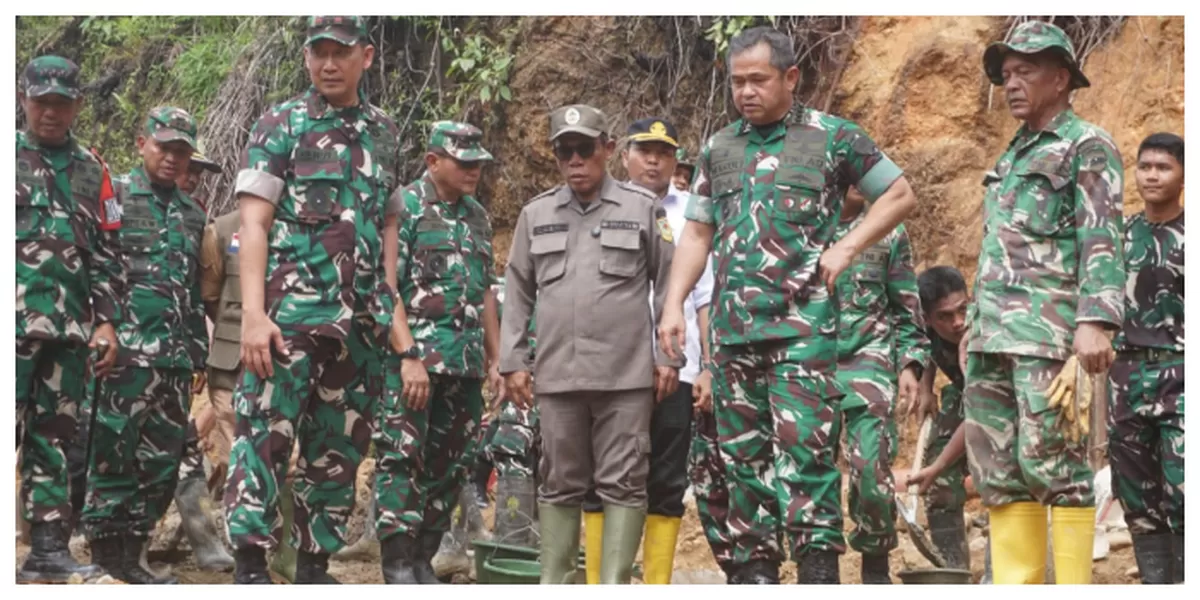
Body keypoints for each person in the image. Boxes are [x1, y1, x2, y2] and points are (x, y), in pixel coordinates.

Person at [658, 27, 917, 584]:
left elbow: (898, 194)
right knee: (743, 464)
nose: (746, 92)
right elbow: (698, 234)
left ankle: (819, 573)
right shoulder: (718, 147)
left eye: (759, 80)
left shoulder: (833, 138)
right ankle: (756, 576)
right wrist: (674, 304)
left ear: (791, 78)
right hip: (733, 333)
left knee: (807, 460)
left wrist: (847, 246)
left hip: (803, 333)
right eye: (737, 82)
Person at [223, 16, 401, 584]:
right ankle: (251, 564)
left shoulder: (385, 130)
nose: (328, 63)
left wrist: (389, 311)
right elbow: (253, 223)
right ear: (305, 59)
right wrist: (252, 315)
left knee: (339, 446)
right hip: (288, 320)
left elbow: (389, 227)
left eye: (340, 53)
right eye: (317, 53)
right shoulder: (282, 122)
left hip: (361, 326)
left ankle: (313, 566)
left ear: (365, 58)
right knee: (264, 438)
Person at [963, 20, 1125, 585]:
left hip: (1048, 337)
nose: (1011, 84)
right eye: (1006, 74)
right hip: (992, 337)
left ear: (1061, 79)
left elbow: (1102, 234)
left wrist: (1096, 321)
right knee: (999, 472)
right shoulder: (1011, 156)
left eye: (1025, 71)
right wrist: (972, 326)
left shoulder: (1087, 145)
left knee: (1056, 467)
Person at [499, 104, 681, 584]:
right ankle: (554, 584)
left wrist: (668, 355)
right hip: (558, 377)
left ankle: (614, 585)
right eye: (565, 152)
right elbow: (517, 288)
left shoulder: (642, 208)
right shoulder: (536, 214)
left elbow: (669, 286)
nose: (575, 160)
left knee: (624, 483)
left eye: (585, 149)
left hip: (625, 378)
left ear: (609, 148)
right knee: (559, 483)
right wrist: (512, 360)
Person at [581, 117, 714, 585]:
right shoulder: (597, 202)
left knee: (667, 478)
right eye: (645, 150)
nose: (654, 160)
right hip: (614, 371)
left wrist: (707, 367)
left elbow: (703, 296)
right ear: (624, 155)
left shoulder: (691, 214)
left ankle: (655, 583)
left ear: (676, 159)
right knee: (604, 476)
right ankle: (601, 584)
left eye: (664, 151)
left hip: (678, 366)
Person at [80, 106, 207, 585]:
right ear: (141, 143)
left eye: (182, 151)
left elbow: (194, 287)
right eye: (164, 147)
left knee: (160, 462)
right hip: (122, 355)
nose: (173, 159)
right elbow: (94, 268)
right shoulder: (113, 199)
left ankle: (135, 556)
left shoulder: (194, 214)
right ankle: (103, 555)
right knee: (112, 453)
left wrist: (197, 352)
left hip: (174, 359)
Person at [374, 121, 502, 584]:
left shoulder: (477, 217)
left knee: (452, 465)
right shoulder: (403, 207)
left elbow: (486, 291)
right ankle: (397, 563)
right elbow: (386, 288)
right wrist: (407, 354)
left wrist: (496, 359)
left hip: (464, 363)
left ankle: (424, 557)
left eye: (477, 163)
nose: (473, 171)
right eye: (463, 163)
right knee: (403, 457)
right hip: (416, 362)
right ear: (433, 161)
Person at [16, 54, 122, 584]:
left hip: (69, 332)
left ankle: (47, 549)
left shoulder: (92, 168)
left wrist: (106, 322)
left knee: (53, 439)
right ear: (23, 100)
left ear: (78, 105)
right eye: (41, 102)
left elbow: (106, 252)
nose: (50, 113)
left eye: (61, 103)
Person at [832, 185, 928, 583]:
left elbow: (905, 304)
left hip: (868, 362)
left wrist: (910, 364)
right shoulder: (798, 224)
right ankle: (817, 572)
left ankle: (875, 568)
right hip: (804, 361)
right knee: (806, 477)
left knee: (871, 471)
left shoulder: (888, 229)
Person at [1108, 132, 1184, 584]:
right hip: (1126, 375)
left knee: (1184, 488)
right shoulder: (1119, 236)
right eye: (1145, 166)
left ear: (1183, 175)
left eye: (1164, 167)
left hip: (1181, 371)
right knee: (1136, 494)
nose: (1152, 175)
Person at [902, 265, 972, 570]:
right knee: (940, 480)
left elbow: (982, 414)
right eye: (945, 316)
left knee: (1002, 478)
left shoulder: (985, 333)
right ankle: (953, 567)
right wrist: (928, 387)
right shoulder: (926, 328)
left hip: (1003, 407)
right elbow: (929, 343)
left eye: (963, 310)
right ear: (927, 318)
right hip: (963, 394)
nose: (958, 323)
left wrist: (941, 463)